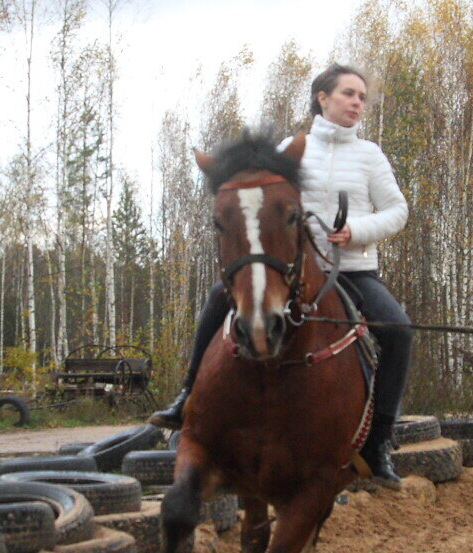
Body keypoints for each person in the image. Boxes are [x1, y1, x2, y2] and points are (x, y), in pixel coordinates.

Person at [151, 63, 411, 488]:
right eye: (348, 94)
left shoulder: (370, 156)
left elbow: (398, 211)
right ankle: (186, 397)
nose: (357, 103)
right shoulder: (291, 148)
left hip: (352, 270)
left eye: (362, 97)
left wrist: (356, 231)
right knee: (219, 299)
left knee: (398, 330)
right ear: (322, 98)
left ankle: (378, 441)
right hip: (290, 272)